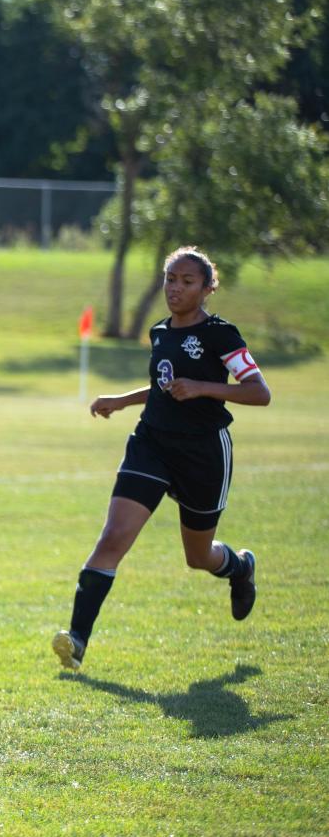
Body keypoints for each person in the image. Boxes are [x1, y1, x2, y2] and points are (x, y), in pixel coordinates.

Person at [53, 247, 271, 672]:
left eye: (187, 281)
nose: (176, 288)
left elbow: (259, 392)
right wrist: (122, 399)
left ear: (208, 288)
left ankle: (240, 567)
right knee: (113, 536)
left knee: (198, 556)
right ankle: (76, 639)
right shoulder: (159, 332)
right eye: (171, 279)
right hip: (151, 443)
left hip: (203, 452)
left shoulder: (222, 335)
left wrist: (203, 388)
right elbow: (165, 386)